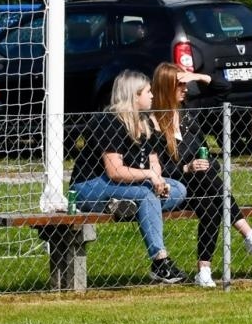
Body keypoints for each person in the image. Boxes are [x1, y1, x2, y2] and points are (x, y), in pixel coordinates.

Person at [150, 62, 252, 289]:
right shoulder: (152, 123)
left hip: (202, 186)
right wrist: (186, 168)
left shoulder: (188, 112)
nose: (185, 90)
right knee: (211, 188)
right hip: (174, 187)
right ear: (166, 87)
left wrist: (197, 76)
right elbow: (155, 168)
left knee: (212, 203)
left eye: (186, 85)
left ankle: (204, 272)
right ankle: (247, 233)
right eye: (180, 85)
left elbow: (223, 89)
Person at [71, 69, 190, 284]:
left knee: (178, 189)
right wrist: (150, 177)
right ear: (134, 95)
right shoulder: (110, 121)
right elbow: (114, 171)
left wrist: (159, 180)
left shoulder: (146, 123)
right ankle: (160, 261)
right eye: (148, 92)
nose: (152, 96)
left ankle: (126, 204)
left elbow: (154, 162)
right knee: (146, 195)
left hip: (129, 185)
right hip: (89, 186)